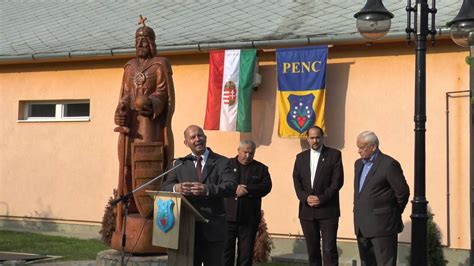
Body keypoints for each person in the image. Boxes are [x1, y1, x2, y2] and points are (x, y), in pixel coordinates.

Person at [114, 20, 175, 215]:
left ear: (152, 43)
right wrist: (121, 109)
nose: (140, 45)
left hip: (150, 124)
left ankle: (150, 209)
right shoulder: (129, 67)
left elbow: (164, 94)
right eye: (137, 40)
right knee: (127, 163)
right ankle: (129, 204)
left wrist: (151, 102)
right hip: (132, 125)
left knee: (147, 162)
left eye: (144, 40)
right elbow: (124, 94)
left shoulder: (160, 65)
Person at [161, 125, 237, 266]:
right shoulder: (179, 164)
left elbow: (231, 186)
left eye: (200, 135)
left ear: (205, 138)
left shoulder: (222, 162)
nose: (197, 139)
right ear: (186, 143)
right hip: (187, 231)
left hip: (214, 229)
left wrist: (208, 189)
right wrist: (175, 187)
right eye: (193, 137)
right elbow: (164, 187)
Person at [353, 131, 410, 266]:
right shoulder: (358, 164)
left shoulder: (389, 164)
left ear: (373, 147)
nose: (358, 151)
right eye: (358, 147)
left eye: (362, 147)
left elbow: (402, 192)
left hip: (383, 226)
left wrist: (391, 212)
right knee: (366, 263)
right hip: (362, 225)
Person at [292, 126, 344, 266]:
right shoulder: (300, 158)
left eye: (318, 137)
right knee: (312, 250)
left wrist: (321, 198)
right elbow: (297, 181)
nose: (315, 140)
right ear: (307, 139)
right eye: (312, 138)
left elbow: (337, 182)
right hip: (307, 211)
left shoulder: (334, 155)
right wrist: (305, 197)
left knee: (329, 249)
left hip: (328, 210)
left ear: (322, 137)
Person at [223, 140, 272, 266]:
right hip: (227, 217)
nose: (248, 156)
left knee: (246, 254)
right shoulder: (226, 165)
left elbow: (266, 187)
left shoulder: (261, 169)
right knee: (225, 252)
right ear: (238, 150)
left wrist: (247, 190)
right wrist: (235, 189)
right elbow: (220, 183)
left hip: (249, 218)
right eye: (245, 152)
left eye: (251, 153)